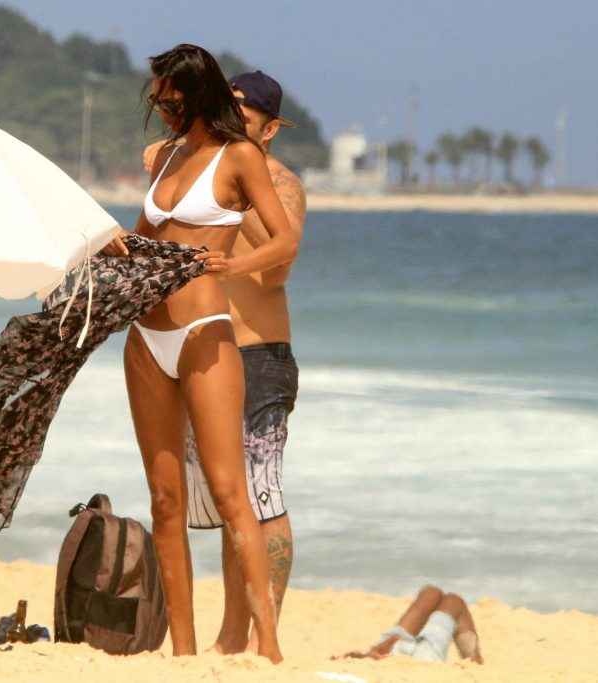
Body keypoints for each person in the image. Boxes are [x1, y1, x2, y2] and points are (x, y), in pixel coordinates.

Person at [102, 44, 298, 663]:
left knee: (231, 493)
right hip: (145, 335)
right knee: (165, 501)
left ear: (196, 94)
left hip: (203, 332)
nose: (161, 109)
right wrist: (111, 242)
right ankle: (183, 653)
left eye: (170, 100)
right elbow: (148, 237)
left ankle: (268, 651)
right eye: (157, 100)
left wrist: (231, 264)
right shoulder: (165, 158)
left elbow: (285, 241)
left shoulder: (240, 156)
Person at [336, 585, 484, 664]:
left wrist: (366, 655)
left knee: (431, 593)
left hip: (389, 651)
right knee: (454, 601)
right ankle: (474, 664)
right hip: (418, 660)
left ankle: (474, 662)